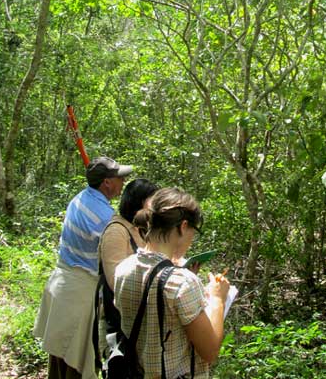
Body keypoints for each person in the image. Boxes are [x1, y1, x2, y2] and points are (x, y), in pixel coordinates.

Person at [114, 186, 229, 379]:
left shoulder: (123, 268)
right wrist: (218, 299)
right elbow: (210, 352)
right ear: (183, 226)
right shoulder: (182, 283)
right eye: (194, 230)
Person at [34, 156, 133, 379]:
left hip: (64, 288)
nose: (123, 181)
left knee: (61, 358)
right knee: (74, 361)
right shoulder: (104, 216)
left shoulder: (81, 198)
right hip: (78, 293)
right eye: (119, 178)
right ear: (107, 183)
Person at [97, 178, 159, 366]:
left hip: (138, 321)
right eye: (153, 201)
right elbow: (115, 281)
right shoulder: (117, 231)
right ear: (140, 202)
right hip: (120, 323)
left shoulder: (141, 229)